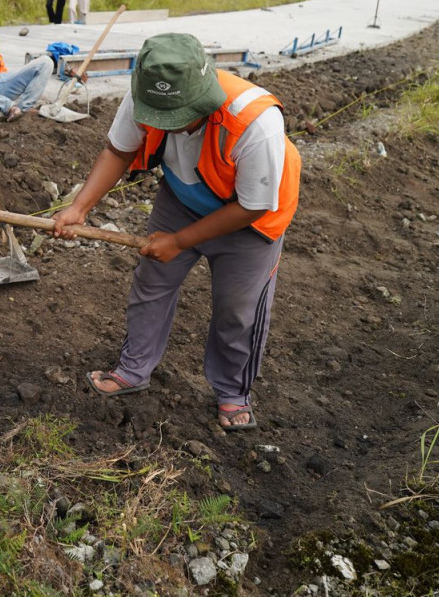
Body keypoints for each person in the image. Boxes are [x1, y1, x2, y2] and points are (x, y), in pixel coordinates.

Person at [51, 33, 301, 431]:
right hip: (182, 199)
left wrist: (181, 241)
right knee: (151, 284)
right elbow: (119, 151)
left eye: (177, 115)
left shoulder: (255, 122)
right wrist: (79, 208)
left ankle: (233, 392)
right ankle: (133, 371)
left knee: (238, 311)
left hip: (249, 222)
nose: (162, 122)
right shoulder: (146, 94)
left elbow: (252, 205)